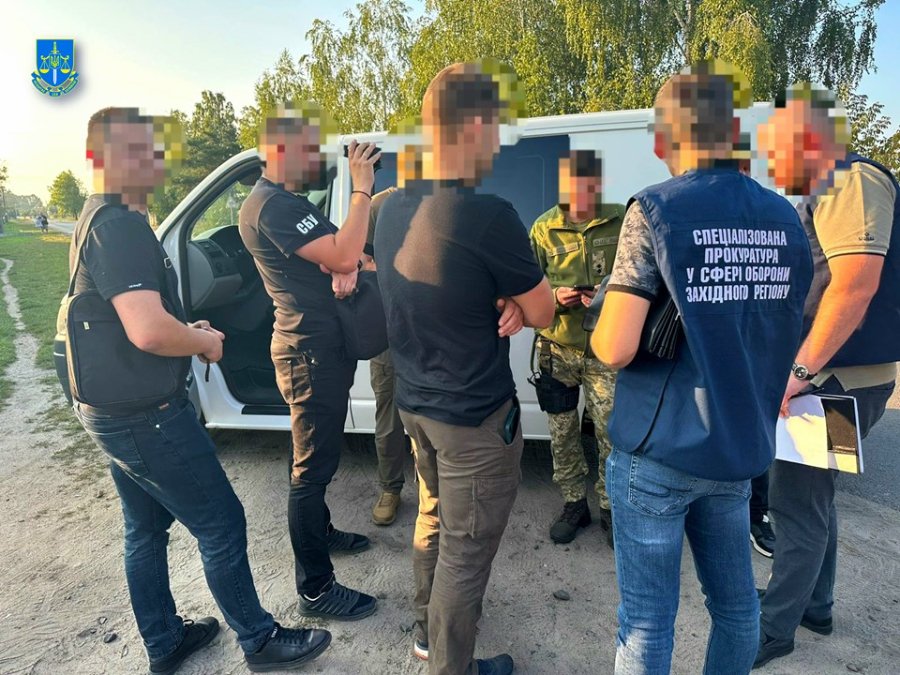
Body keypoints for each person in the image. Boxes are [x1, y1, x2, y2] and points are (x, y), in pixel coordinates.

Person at [70, 107, 331, 674]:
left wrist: (187, 329)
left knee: (145, 528)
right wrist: (203, 342)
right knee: (221, 522)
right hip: (145, 414)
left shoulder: (99, 217)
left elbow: (129, 318)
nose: (157, 162)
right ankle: (259, 640)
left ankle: (165, 642)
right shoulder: (120, 227)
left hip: (113, 407)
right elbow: (147, 330)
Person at [590, 63, 813, 674]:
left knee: (647, 619)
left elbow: (615, 347)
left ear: (664, 138)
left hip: (659, 450)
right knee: (737, 608)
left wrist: (601, 310)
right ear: (733, 132)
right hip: (738, 448)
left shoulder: (655, 209)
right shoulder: (786, 219)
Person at [375, 62, 555, 675]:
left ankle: (428, 638)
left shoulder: (391, 209)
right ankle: (450, 667)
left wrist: (501, 297)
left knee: (433, 521)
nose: (498, 140)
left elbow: (437, 286)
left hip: (416, 406)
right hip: (472, 421)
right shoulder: (487, 214)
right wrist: (514, 300)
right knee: (464, 552)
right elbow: (545, 310)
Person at [754, 84, 899, 668]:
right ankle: (815, 605)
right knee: (815, 498)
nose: (771, 158)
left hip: (835, 384)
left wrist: (799, 371)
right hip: (836, 379)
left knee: (793, 502)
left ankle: (773, 628)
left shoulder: (849, 180)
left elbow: (855, 285)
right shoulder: (827, 188)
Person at [238, 102, 381, 622]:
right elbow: (341, 253)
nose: (315, 159)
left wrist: (348, 261)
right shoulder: (271, 205)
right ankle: (316, 590)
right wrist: (361, 189)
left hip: (319, 346)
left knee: (315, 456)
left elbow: (342, 253)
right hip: (308, 352)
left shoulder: (286, 202)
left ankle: (321, 531)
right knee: (310, 472)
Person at [529, 149, 622, 546]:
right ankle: (574, 504)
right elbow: (527, 285)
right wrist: (554, 295)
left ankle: (612, 508)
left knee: (611, 435)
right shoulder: (543, 228)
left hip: (606, 349)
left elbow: (641, 274)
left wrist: (609, 292)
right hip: (558, 347)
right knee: (562, 432)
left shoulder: (620, 219)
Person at [362, 185, 410, 526]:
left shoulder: (443, 199)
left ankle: (435, 491)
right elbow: (358, 261)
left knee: (435, 415)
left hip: (435, 328)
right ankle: (390, 488)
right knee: (389, 418)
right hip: (389, 328)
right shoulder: (379, 206)